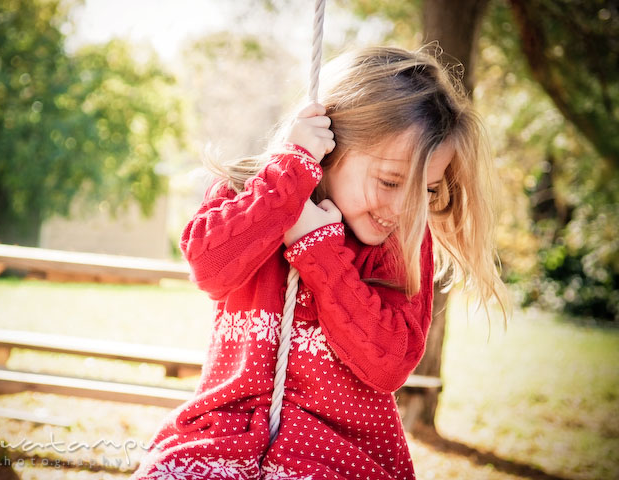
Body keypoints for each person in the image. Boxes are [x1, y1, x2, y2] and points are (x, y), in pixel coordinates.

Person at [132, 45, 508, 480]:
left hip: (338, 456)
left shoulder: (401, 243)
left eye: (424, 191)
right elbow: (209, 267)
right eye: (389, 181)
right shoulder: (255, 191)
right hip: (223, 440)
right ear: (332, 142)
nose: (404, 209)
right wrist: (287, 180)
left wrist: (319, 247)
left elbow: (389, 363)